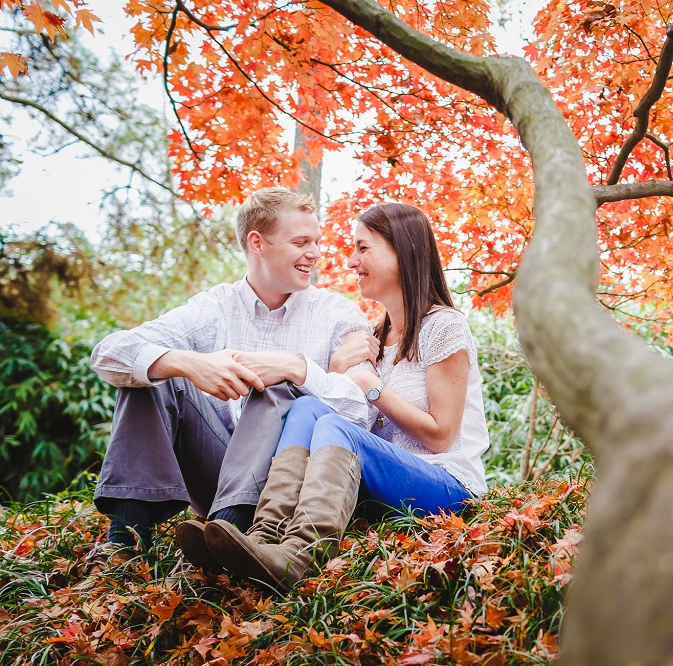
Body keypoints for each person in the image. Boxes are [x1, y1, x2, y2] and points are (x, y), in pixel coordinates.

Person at [202, 202, 490, 591]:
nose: (351, 261)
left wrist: (370, 387)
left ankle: (302, 555)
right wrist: (334, 376)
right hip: (385, 481)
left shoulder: (442, 327)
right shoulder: (375, 337)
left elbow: (441, 436)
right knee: (306, 405)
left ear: (402, 250)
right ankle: (264, 536)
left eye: (363, 248)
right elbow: (353, 421)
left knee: (334, 422)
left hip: (448, 485)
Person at [89, 187, 380, 567]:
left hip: (286, 489)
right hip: (216, 472)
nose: (315, 253)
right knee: (153, 370)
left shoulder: (338, 315)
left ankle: (230, 531)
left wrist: (299, 369)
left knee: (278, 384)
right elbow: (109, 353)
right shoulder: (215, 307)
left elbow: (365, 413)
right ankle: (126, 536)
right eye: (300, 242)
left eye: (316, 242)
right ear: (257, 243)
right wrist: (185, 362)